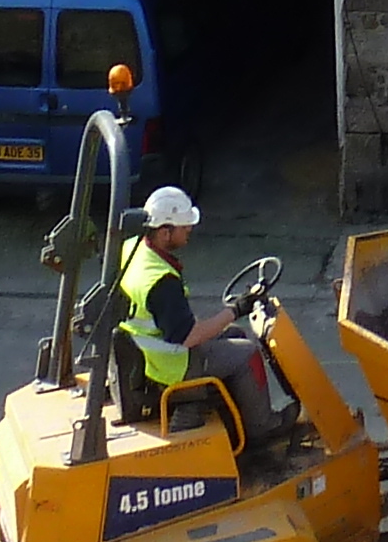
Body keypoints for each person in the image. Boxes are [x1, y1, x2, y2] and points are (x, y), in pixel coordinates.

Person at [116, 185, 289, 464]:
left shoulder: (131, 251)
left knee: (233, 334)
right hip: (171, 367)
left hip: (146, 355)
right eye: (185, 227)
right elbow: (190, 336)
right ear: (164, 232)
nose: (190, 231)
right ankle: (262, 427)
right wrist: (236, 309)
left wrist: (229, 321)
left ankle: (229, 415)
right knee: (245, 352)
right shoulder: (160, 283)